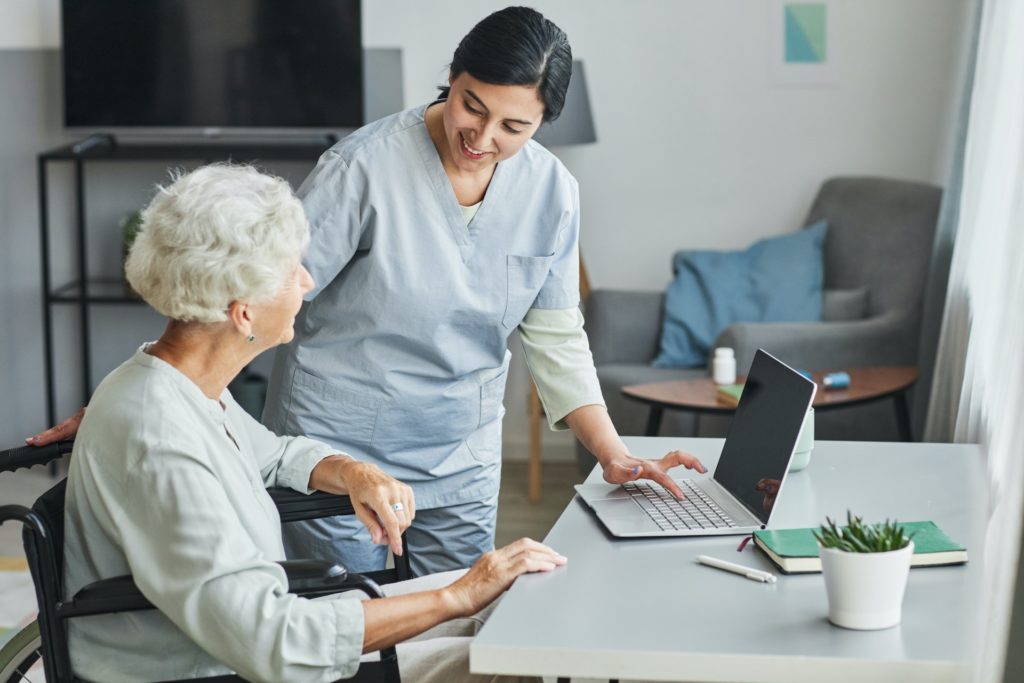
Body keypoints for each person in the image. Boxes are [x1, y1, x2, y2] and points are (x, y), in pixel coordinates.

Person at [32, 6, 706, 577]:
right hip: (337, 448)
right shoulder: (362, 167)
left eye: (514, 127)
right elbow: (250, 294)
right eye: (472, 105)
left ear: (541, 124)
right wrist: (153, 394)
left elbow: (556, 334)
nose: (483, 136)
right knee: (344, 631)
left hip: (459, 453)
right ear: (452, 76)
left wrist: (613, 453)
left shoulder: (553, 192)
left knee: (452, 632)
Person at [62, 164, 562, 683]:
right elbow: (274, 642)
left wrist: (350, 471)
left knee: (507, 601)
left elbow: (273, 454)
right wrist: (454, 597)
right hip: (220, 666)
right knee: (514, 657)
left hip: (255, 634)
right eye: (291, 269)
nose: (307, 280)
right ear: (244, 313)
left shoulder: (182, 387)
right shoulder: (161, 439)